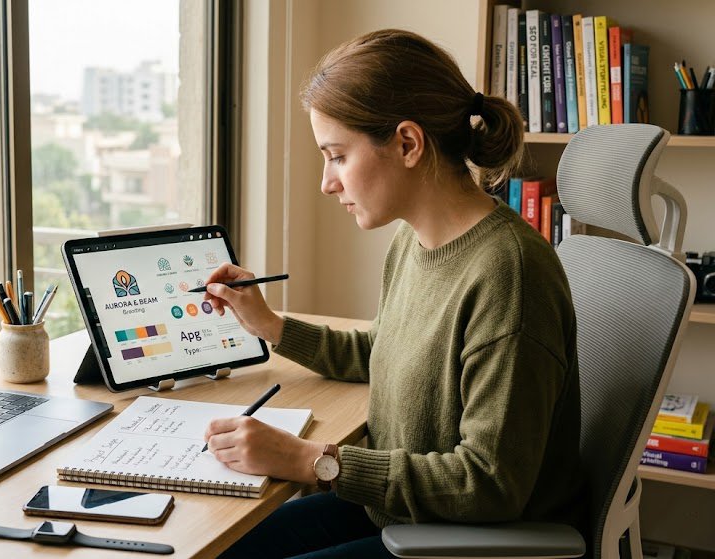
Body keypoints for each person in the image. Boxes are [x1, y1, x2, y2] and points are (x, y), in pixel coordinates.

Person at [203, 29, 584, 558]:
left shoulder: (509, 274)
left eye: (336, 155)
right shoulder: (414, 240)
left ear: (408, 143)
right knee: (218, 546)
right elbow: (383, 350)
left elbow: (490, 483)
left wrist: (312, 460)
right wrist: (269, 325)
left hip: (473, 539)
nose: (327, 183)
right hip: (403, 509)